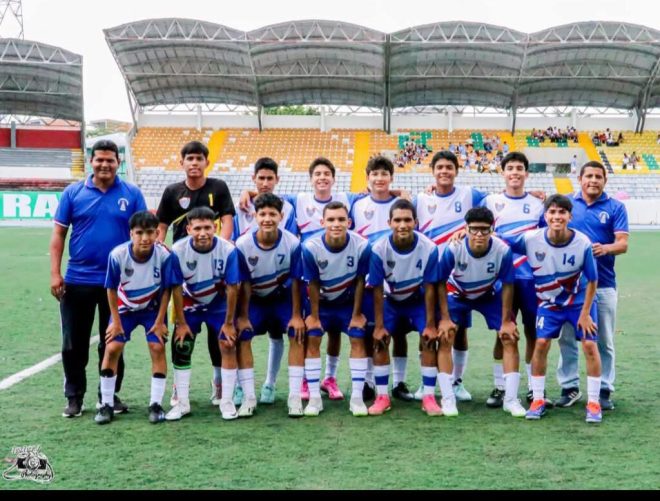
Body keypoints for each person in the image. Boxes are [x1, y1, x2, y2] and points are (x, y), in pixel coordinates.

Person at [51, 139, 146, 418]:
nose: (105, 165)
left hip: (119, 283)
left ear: (118, 163)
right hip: (78, 279)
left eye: (110, 160)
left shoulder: (132, 193)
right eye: (99, 160)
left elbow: (143, 235)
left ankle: (109, 396)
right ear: (91, 162)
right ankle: (74, 397)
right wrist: (55, 273)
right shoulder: (73, 193)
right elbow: (58, 235)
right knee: (73, 343)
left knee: (113, 342)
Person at [506, 195, 602, 423]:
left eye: (562, 212)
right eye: (552, 212)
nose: (557, 217)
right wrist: (467, 234)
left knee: (589, 345)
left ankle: (594, 402)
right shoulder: (531, 239)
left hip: (578, 302)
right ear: (545, 215)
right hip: (548, 303)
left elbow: (592, 280)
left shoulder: (582, 243)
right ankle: (538, 399)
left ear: (570, 216)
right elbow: (501, 241)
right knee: (540, 343)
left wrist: (585, 314)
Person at [157, 141, 235, 407]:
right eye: (189, 158)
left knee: (217, 334)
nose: (194, 163)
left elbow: (227, 220)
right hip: (185, 269)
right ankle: (179, 389)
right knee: (181, 331)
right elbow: (162, 226)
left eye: (199, 158)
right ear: (182, 163)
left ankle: (219, 383)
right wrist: (160, 250)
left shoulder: (218, 187)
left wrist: (221, 247)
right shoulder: (172, 192)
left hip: (213, 268)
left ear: (206, 162)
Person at [412, 150, 488, 401]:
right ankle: (426, 382)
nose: (444, 171)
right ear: (432, 171)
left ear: (456, 171)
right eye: (440, 167)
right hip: (427, 275)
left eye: (449, 167)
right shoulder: (420, 199)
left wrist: (536, 194)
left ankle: (456, 382)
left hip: (458, 277)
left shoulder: (470, 195)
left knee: (458, 331)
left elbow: (501, 201)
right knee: (427, 328)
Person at [437, 207, 524, 418]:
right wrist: (445, 318)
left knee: (510, 337)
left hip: (488, 294)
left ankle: (510, 399)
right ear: (466, 229)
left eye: (484, 230)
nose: (479, 234)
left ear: (492, 230)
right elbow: (439, 282)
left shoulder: (502, 250)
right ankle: (448, 398)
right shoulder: (454, 248)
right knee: (446, 336)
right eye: (474, 229)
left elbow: (508, 285)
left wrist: (506, 321)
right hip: (458, 294)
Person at [555, 161, 629, 411]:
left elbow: (622, 243)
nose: (593, 180)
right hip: (569, 286)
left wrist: (604, 248)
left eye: (598, 176)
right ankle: (569, 386)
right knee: (567, 337)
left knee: (603, 339)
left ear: (604, 180)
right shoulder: (566, 202)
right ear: (580, 179)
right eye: (589, 176)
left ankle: (604, 388)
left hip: (603, 283)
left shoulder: (615, 207)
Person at [94, 211, 177, 425]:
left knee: (157, 347)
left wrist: (160, 322)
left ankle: (155, 404)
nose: (145, 238)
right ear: (131, 233)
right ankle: (106, 404)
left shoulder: (165, 255)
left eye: (150, 232)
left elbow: (167, 290)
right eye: (139, 233)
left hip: (152, 309)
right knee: (112, 348)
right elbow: (111, 289)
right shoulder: (117, 255)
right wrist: (116, 322)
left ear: (157, 233)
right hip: (125, 309)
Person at [478, 152, 546, 408]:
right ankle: (500, 386)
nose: (515, 172)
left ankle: (533, 388)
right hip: (500, 277)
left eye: (519, 168)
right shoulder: (490, 201)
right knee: (502, 332)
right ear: (503, 172)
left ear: (526, 173)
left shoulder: (539, 204)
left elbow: (545, 237)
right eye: (510, 168)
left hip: (531, 278)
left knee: (532, 332)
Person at [231, 157, 297, 406]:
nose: (266, 182)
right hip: (250, 285)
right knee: (240, 333)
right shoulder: (241, 207)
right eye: (261, 178)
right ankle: (240, 385)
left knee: (279, 333)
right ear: (253, 179)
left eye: (270, 178)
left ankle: (270, 383)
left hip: (278, 287)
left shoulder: (288, 207)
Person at [367, 200, 442, 416]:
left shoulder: (429, 248)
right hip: (390, 301)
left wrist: (430, 325)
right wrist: (379, 326)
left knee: (428, 339)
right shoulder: (378, 249)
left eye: (407, 220)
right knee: (380, 340)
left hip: (418, 300)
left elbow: (430, 287)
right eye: (397, 220)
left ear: (416, 222)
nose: (402, 225)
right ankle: (382, 396)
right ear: (389, 222)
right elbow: (377, 289)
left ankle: (429, 396)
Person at [234, 194, 306, 417]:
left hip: (281, 297)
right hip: (254, 299)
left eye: (272, 214)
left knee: (296, 333)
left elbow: (296, 280)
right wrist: (243, 316)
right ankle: (248, 396)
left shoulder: (292, 243)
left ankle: (294, 397)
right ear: (255, 216)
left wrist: (297, 315)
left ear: (281, 216)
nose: (267, 219)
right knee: (243, 335)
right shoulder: (243, 244)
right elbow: (244, 284)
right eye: (262, 214)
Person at [166, 207, 240, 421]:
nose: (203, 233)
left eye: (207, 227)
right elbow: (176, 288)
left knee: (228, 343)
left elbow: (233, 288)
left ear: (215, 227)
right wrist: (181, 323)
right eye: (197, 228)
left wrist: (229, 323)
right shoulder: (178, 250)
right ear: (188, 229)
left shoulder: (228, 250)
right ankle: (182, 402)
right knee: (181, 344)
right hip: (191, 302)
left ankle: (226, 401)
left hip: (218, 303)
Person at [349, 156, 413, 403]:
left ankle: (398, 382)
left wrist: (402, 194)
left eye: (384, 174)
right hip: (369, 277)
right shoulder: (356, 204)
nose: (379, 178)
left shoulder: (402, 204)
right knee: (369, 330)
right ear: (367, 178)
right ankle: (367, 381)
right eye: (374, 174)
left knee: (399, 332)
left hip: (399, 275)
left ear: (391, 177)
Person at [301, 202, 370, 417]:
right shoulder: (310, 247)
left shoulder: (362, 246)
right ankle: (314, 398)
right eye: (331, 219)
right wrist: (313, 316)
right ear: (322, 222)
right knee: (313, 335)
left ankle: (357, 398)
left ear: (349, 222)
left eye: (341, 219)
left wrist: (357, 314)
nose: (336, 224)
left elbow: (360, 281)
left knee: (357, 336)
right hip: (320, 303)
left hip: (347, 303)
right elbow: (312, 283)